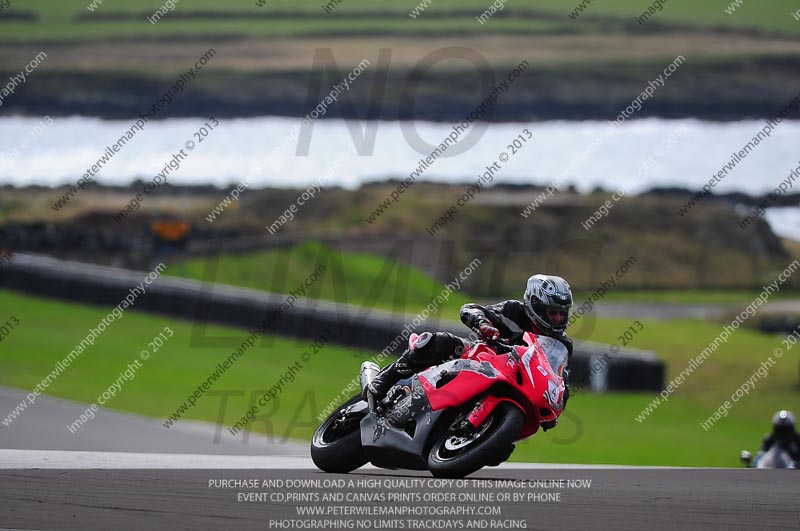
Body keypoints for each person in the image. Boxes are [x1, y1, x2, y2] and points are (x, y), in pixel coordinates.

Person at [365, 274, 574, 429]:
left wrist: (554, 409)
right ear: (535, 305)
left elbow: (559, 381)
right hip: (481, 358)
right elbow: (471, 309)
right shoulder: (513, 311)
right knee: (440, 342)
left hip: (515, 383)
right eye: (552, 312)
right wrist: (483, 324)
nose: (557, 318)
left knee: (500, 453)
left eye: (561, 314)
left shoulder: (561, 344)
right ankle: (383, 379)